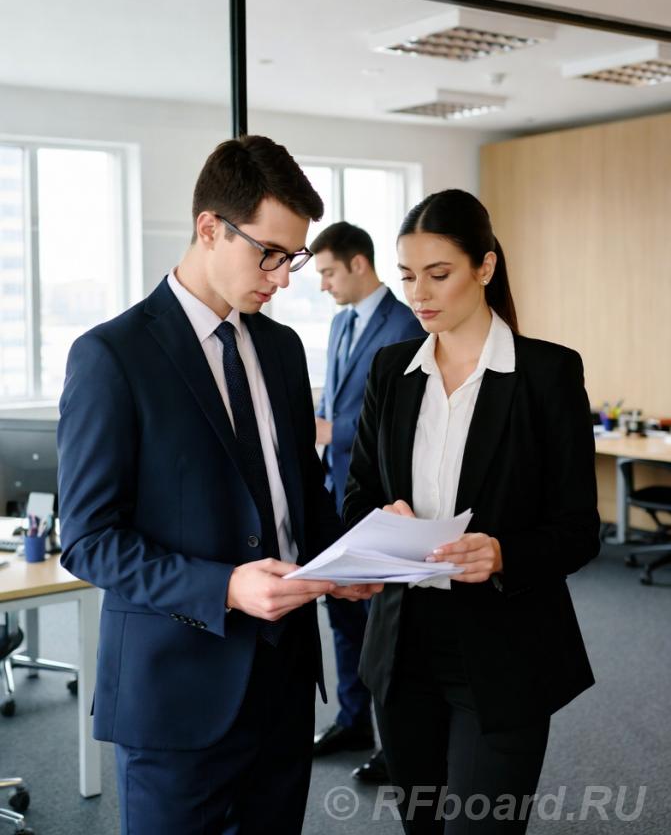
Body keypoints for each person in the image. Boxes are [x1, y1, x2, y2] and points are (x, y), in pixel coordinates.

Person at [57, 136, 380, 835]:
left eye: (292, 258)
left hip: (286, 681)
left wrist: (352, 558)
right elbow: (88, 541)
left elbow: (298, 497)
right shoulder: (113, 356)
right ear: (209, 228)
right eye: (269, 253)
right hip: (176, 689)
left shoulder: (282, 348)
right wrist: (225, 587)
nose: (283, 277)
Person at [343, 189, 600, 834]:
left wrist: (504, 552)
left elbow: (577, 529)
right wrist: (383, 520)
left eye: (439, 274)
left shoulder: (547, 373)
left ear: (484, 268)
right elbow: (356, 495)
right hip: (402, 647)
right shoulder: (389, 371)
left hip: (502, 648)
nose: (419, 295)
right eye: (406, 277)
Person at [310, 221, 422, 781]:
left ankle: (391, 740)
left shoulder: (404, 323)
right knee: (341, 614)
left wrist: (335, 430)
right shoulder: (337, 323)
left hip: (382, 495)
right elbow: (331, 397)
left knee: (380, 624)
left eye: (328, 271)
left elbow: (399, 414)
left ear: (359, 264)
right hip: (336, 491)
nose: (323, 284)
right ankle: (353, 719)